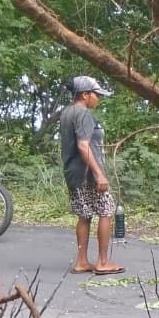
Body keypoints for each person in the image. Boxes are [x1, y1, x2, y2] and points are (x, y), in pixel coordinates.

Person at [60, 75, 123, 274]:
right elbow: (83, 145)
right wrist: (99, 175)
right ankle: (103, 262)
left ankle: (81, 262)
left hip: (73, 172)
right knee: (106, 211)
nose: (98, 98)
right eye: (96, 94)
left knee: (84, 215)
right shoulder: (84, 114)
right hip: (88, 174)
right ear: (85, 95)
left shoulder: (67, 113)